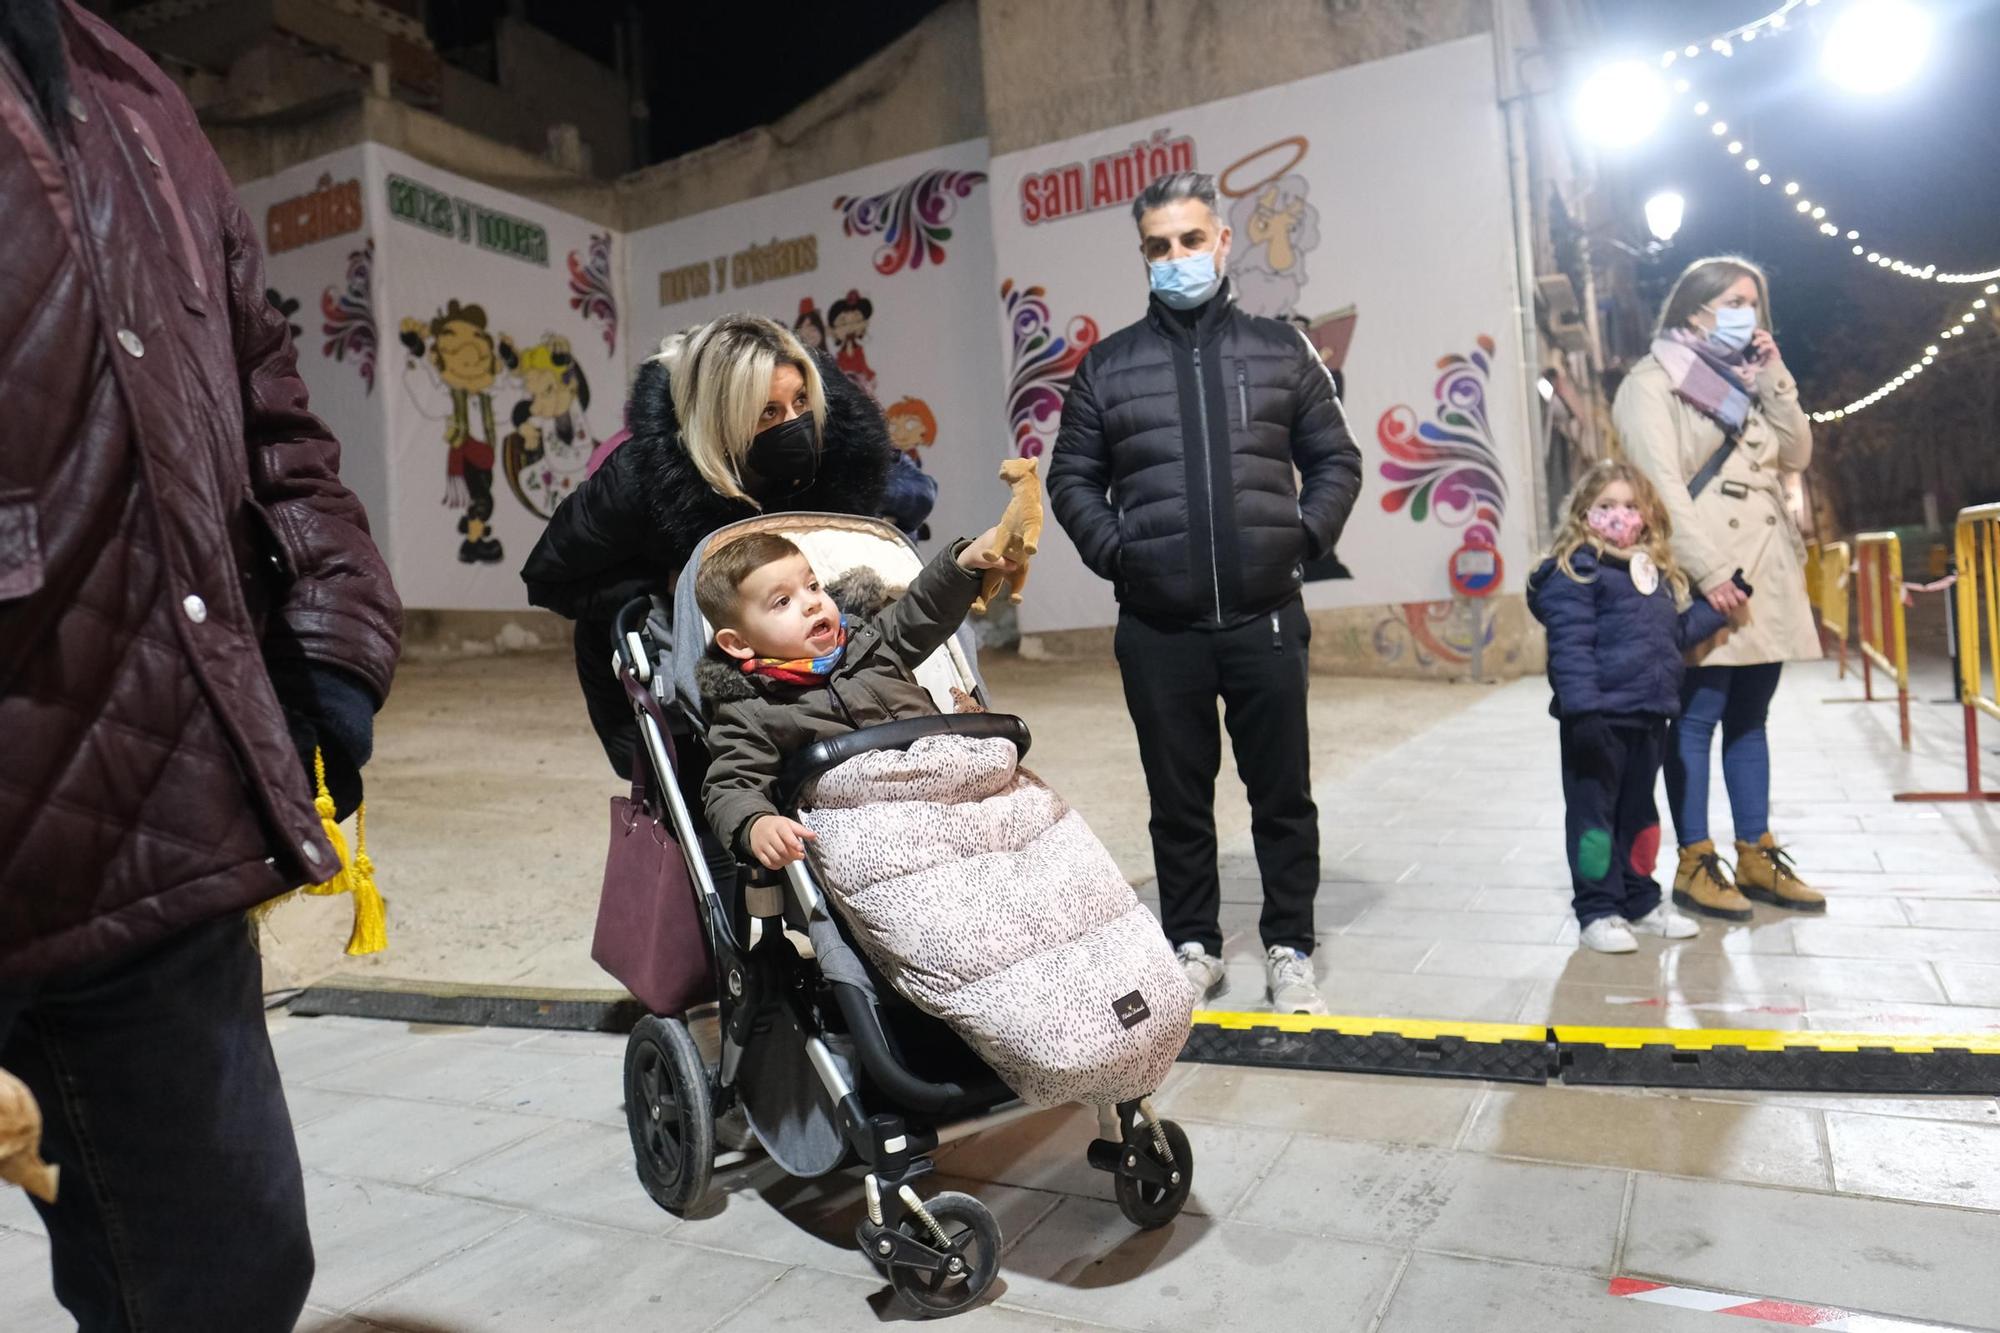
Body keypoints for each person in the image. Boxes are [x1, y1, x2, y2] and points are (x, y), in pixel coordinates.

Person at [0, 3, 403, 1327]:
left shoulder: (130, 84)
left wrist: (332, 643)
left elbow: (265, 390)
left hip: (150, 815)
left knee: (225, 1275)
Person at [1047, 171, 1364, 1015]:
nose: (1177, 258)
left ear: (1224, 242)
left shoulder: (1281, 350)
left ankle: (1290, 946)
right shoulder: (1108, 367)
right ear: (1143, 255)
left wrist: (1300, 537)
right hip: (1159, 626)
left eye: (1192, 240)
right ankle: (1193, 943)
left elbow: (1337, 458)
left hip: (1264, 617)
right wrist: (1123, 556)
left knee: (1282, 797)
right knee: (1177, 800)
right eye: (1159, 246)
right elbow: (1072, 479)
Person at [521, 315, 918, 781]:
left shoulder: (836, 456)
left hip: (790, 652)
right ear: (724, 414)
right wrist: (668, 587)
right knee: (705, 798)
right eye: (768, 412)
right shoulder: (639, 479)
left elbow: (899, 501)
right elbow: (548, 578)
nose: (795, 423)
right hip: (667, 663)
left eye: (801, 401)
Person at [1615, 257, 1826, 918]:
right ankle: (1695, 859)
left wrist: (1776, 378)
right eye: (1733, 301)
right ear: (1694, 308)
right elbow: (1660, 483)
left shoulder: (1750, 381)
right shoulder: (1652, 383)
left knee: (1751, 715)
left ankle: (1756, 852)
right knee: (1697, 715)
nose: (1747, 314)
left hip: (1766, 565)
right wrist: (1705, 573)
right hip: (1709, 568)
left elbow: (1797, 455)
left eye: (1755, 303)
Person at [692, 530, 1018, 868]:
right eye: (783, 602)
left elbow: (923, 608)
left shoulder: (873, 641)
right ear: (738, 643)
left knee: (1033, 821)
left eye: (813, 586)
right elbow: (732, 784)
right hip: (878, 829)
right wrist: (755, 823)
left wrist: (964, 561)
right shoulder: (751, 709)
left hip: (957, 786)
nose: (812, 602)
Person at [1527, 463, 1744, 952]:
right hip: (1597, 718)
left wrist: (1719, 607)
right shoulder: (1577, 570)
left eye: (1629, 506)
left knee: (1641, 817)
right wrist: (1583, 714)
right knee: (1594, 820)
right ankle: (1598, 910)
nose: (1619, 516)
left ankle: (1641, 900)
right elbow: (1572, 647)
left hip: (1649, 715)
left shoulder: (1651, 572)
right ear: (1584, 514)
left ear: (1647, 515)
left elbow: (1673, 638)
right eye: (1605, 506)